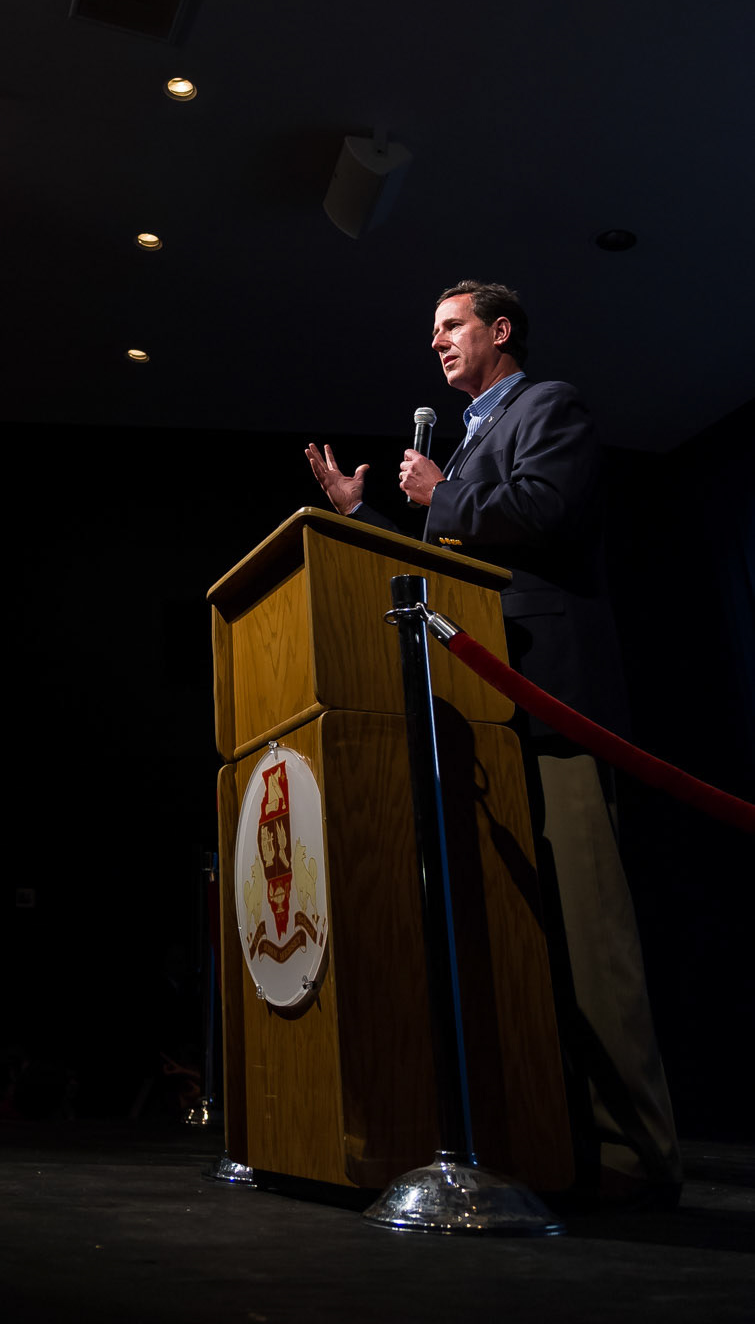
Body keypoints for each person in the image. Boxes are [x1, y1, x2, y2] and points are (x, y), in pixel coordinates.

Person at [305, 279, 682, 1207]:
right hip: (477, 721)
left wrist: (444, 489)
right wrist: (367, 519)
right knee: (512, 942)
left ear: (499, 330)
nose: (434, 342)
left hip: (553, 708)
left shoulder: (548, 407)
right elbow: (452, 566)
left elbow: (543, 515)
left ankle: (636, 1159)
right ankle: (548, 1143)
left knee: (590, 943)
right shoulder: (463, 447)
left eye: (451, 325)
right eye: (431, 331)